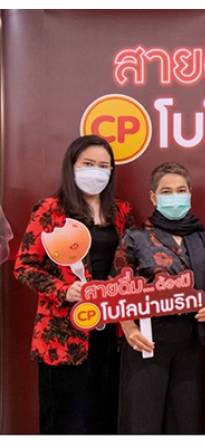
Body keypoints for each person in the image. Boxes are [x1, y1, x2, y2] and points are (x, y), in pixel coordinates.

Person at [13, 135, 135, 434]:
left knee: (104, 416)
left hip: (109, 330)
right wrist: (64, 290)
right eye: (88, 164)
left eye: (104, 166)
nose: (97, 171)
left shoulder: (121, 211)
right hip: (63, 333)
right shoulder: (50, 209)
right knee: (66, 421)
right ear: (72, 166)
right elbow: (24, 266)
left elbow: (130, 263)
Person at [114, 162, 205, 434]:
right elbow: (117, 286)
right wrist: (129, 329)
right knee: (143, 420)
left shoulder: (202, 237)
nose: (175, 196)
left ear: (190, 194)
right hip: (147, 340)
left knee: (185, 421)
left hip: (191, 341)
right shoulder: (136, 237)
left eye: (181, 190)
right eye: (166, 191)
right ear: (153, 197)